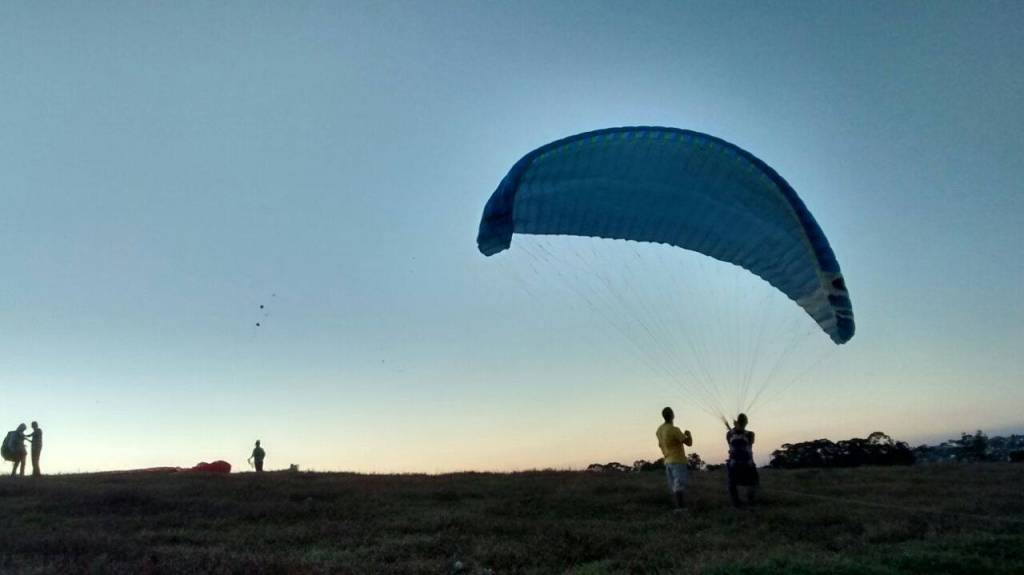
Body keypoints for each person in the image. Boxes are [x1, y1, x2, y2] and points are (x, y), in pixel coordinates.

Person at [656, 407, 693, 511]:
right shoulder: (674, 430)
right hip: (678, 460)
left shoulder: (659, 430)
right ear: (672, 415)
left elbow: (660, 444)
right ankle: (681, 508)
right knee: (679, 485)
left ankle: (679, 507)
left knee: (674, 486)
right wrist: (689, 434)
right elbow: (689, 443)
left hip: (667, 461)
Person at [724, 413, 759, 507]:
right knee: (752, 483)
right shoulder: (750, 434)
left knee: (733, 484)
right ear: (746, 422)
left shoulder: (730, 434)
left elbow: (730, 439)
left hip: (734, 463)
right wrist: (737, 430)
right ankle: (749, 502)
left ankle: (737, 503)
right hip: (747, 463)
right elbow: (749, 441)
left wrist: (735, 430)